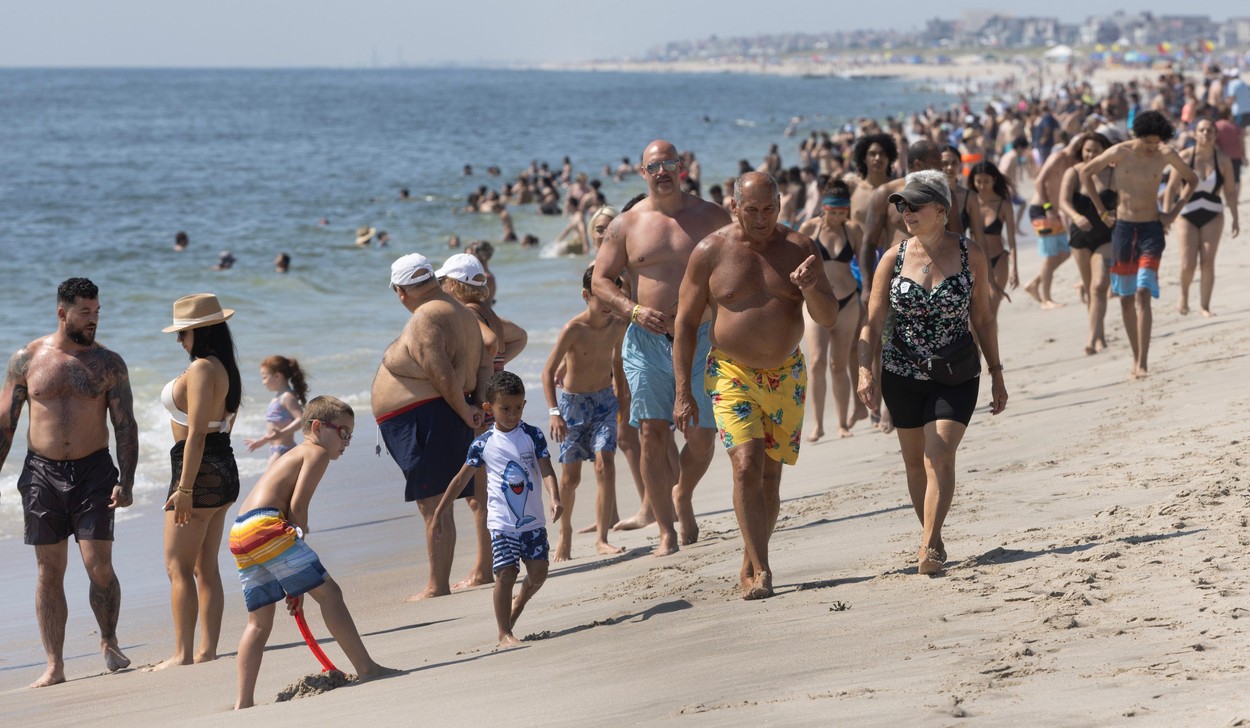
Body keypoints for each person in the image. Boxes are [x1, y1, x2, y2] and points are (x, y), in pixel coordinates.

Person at [674, 171, 837, 599]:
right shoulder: (710, 252)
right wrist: (681, 390)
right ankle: (762, 569)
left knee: (770, 479)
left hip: (787, 375)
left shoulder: (800, 248)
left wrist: (810, 287)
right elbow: (686, 323)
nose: (762, 219)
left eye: (769, 209)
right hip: (732, 373)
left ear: (780, 205)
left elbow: (828, 316)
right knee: (746, 465)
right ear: (734, 208)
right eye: (752, 210)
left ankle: (751, 557)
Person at [856, 171, 1008, 575]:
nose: (906, 212)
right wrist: (864, 370)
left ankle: (926, 548)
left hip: (956, 372)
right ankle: (934, 535)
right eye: (902, 205)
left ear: (941, 211)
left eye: (915, 205)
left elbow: (984, 317)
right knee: (913, 464)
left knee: (937, 454)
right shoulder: (893, 257)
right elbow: (871, 322)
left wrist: (997, 372)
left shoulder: (968, 253)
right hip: (900, 373)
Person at [591, 139, 732, 555]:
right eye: (654, 166)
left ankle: (682, 494)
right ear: (643, 172)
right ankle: (666, 531)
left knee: (703, 437)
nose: (663, 172)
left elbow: (741, 261)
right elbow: (600, 280)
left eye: (670, 163)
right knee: (652, 432)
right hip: (647, 340)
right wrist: (632, 309)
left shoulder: (711, 216)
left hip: (703, 337)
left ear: (682, 167)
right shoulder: (626, 224)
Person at [1, 278, 137, 687]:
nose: (93, 320)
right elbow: (6, 425)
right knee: (49, 571)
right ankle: (54, 664)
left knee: (99, 566)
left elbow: (125, 425)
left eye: (96, 312)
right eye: (85, 313)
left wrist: (126, 481)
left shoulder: (109, 363)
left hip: (94, 472)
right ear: (63, 313)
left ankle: (109, 639)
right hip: (41, 473)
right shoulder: (26, 360)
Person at [231, 396, 399, 709]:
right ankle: (367, 668)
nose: (347, 442)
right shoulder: (316, 452)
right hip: (267, 526)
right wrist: (301, 567)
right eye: (344, 433)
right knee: (330, 594)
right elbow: (297, 507)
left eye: (351, 434)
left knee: (258, 622)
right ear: (319, 427)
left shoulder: (293, 453)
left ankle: (244, 702)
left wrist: (297, 583)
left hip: (241, 531)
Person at [373, 254, 489, 600]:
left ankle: (436, 585)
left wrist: (466, 411)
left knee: (434, 504)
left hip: (427, 417)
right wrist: (475, 405)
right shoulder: (459, 311)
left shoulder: (426, 316)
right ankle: (437, 582)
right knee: (438, 502)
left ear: (401, 291)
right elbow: (483, 359)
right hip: (434, 415)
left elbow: (441, 373)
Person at [432, 372, 562, 648]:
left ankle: (520, 601)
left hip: (533, 522)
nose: (512, 414)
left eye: (517, 408)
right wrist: (440, 511)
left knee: (539, 573)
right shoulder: (482, 443)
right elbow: (460, 479)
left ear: (524, 405)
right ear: (489, 409)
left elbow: (546, 469)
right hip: (502, 524)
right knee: (505, 574)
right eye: (505, 409)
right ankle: (504, 632)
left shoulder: (532, 435)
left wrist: (555, 497)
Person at [152, 293, 242, 670]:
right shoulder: (224, 366)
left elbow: (198, 434)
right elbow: (223, 423)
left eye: (184, 333)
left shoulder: (203, 368)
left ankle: (183, 654)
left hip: (199, 471)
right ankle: (206, 649)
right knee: (206, 565)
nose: (179, 340)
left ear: (202, 331)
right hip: (221, 466)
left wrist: (185, 488)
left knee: (177, 567)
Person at [1080, 111, 1199, 379]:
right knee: (1125, 297)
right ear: (1137, 136)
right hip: (1123, 229)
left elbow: (1192, 180)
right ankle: (1135, 357)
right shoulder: (1120, 152)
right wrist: (1101, 211)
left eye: (1156, 143)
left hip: (1151, 230)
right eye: (1148, 143)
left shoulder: (1165, 154)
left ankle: (1143, 362)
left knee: (1144, 292)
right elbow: (1086, 173)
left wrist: (1174, 211)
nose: (1151, 148)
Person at [437, 253, 527, 589]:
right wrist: (498, 367)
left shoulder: (467, 313)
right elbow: (518, 337)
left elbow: (489, 343)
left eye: (444, 282)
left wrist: (480, 378)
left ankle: (483, 568)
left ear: (455, 286)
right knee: (488, 487)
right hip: (494, 405)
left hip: (483, 408)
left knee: (478, 492)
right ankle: (493, 560)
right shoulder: (488, 311)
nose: (441, 288)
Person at [542, 266, 628, 560]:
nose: (608, 302)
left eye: (613, 295)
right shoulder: (573, 329)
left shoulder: (618, 325)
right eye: (601, 295)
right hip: (573, 406)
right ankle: (564, 532)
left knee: (606, 465)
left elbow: (616, 361)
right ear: (586, 295)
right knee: (570, 479)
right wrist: (554, 412)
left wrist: (623, 393)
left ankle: (602, 538)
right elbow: (548, 372)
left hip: (605, 401)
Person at [797, 179, 868, 440]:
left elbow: (864, 265)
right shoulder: (809, 229)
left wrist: (868, 293)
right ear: (824, 208)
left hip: (848, 300)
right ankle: (817, 424)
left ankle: (842, 424)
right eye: (833, 212)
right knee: (816, 362)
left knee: (839, 364)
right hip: (816, 301)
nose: (838, 217)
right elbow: (794, 264)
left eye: (842, 212)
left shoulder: (853, 230)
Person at [1165, 116, 1240, 318]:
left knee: (1207, 260)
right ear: (1195, 133)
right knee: (1187, 263)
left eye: (1210, 130)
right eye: (1202, 130)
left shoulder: (1222, 159)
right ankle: (1184, 295)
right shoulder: (1185, 156)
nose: (1206, 134)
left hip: (1213, 214)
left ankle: (1205, 306)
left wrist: (1235, 217)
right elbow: (1171, 189)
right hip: (1186, 214)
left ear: (1216, 135)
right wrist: (1167, 216)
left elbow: (1230, 191)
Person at [1057, 132, 1117, 354]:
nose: (1091, 154)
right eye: (1087, 150)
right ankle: (1099, 334)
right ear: (1081, 151)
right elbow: (1062, 201)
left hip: (1107, 236)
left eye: (1096, 150)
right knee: (1091, 286)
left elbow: (1125, 200)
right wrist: (1075, 216)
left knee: (1100, 285)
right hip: (1081, 236)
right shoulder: (1073, 172)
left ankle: (1092, 339)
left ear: (1105, 151)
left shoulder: (1113, 173)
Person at [967, 161, 1019, 320]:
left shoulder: (1003, 205)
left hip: (999, 260)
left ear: (994, 180)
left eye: (986, 182)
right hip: (975, 262)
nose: (982, 186)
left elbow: (1011, 241)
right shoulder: (970, 202)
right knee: (975, 314)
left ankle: (991, 345)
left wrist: (1015, 269)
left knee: (991, 309)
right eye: (978, 182)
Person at [243, 355, 308, 469]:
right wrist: (261, 441)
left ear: (277, 376)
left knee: (268, 484)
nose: (263, 382)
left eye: (264, 377)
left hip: (283, 451)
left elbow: (301, 419)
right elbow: (274, 430)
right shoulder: (277, 398)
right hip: (276, 450)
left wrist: (282, 433)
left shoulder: (287, 397)